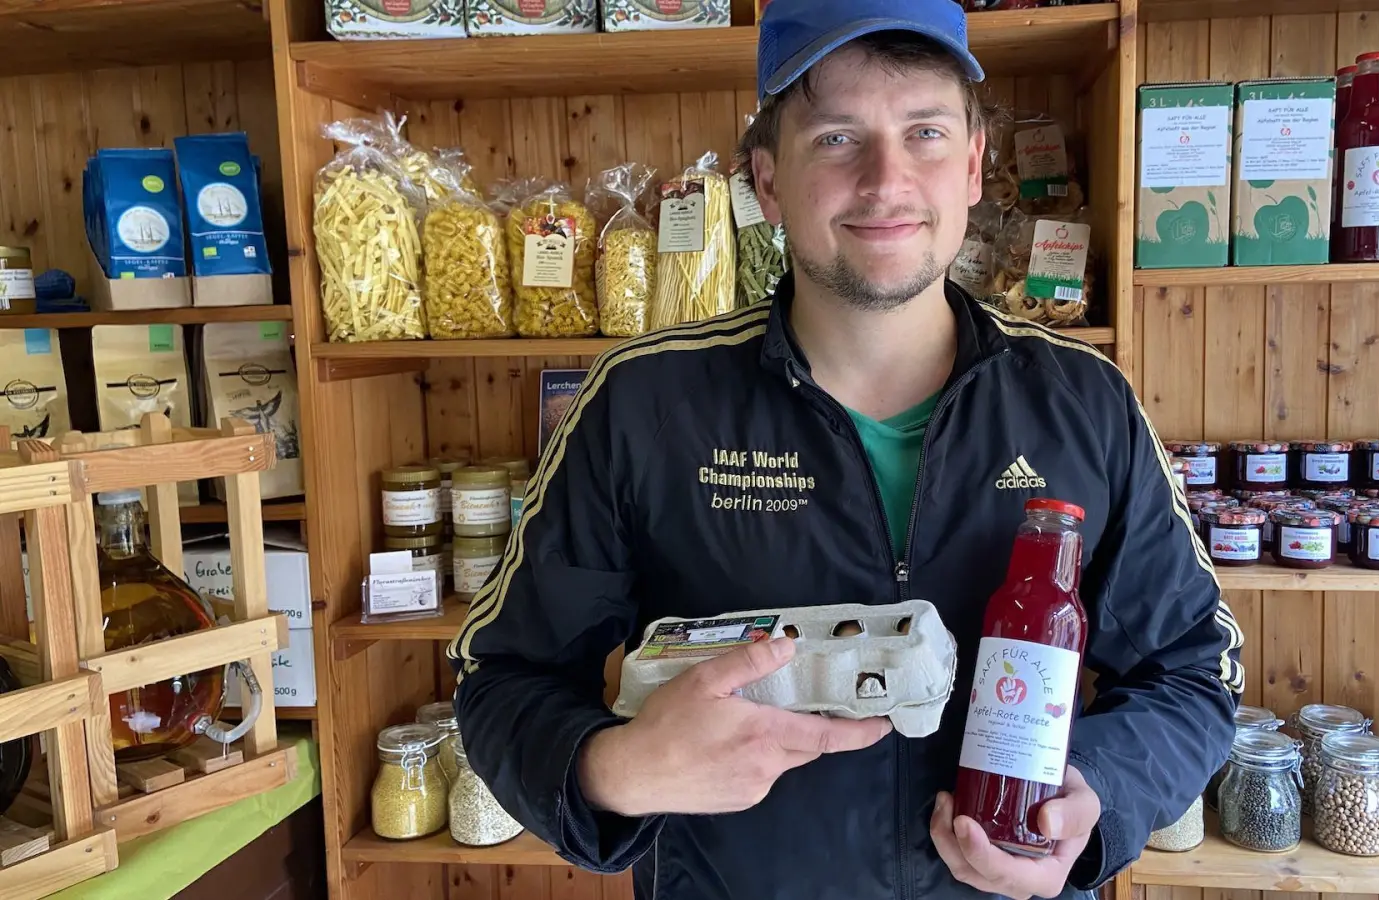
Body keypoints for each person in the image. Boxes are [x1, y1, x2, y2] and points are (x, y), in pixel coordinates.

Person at [446, 0, 1243, 897]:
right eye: (834, 138)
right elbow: (500, 673)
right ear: (768, 182)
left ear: (975, 165)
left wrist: (1099, 792)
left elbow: (1193, 669)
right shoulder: (644, 403)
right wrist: (610, 770)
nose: (886, 180)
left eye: (927, 133)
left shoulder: (1083, 402)